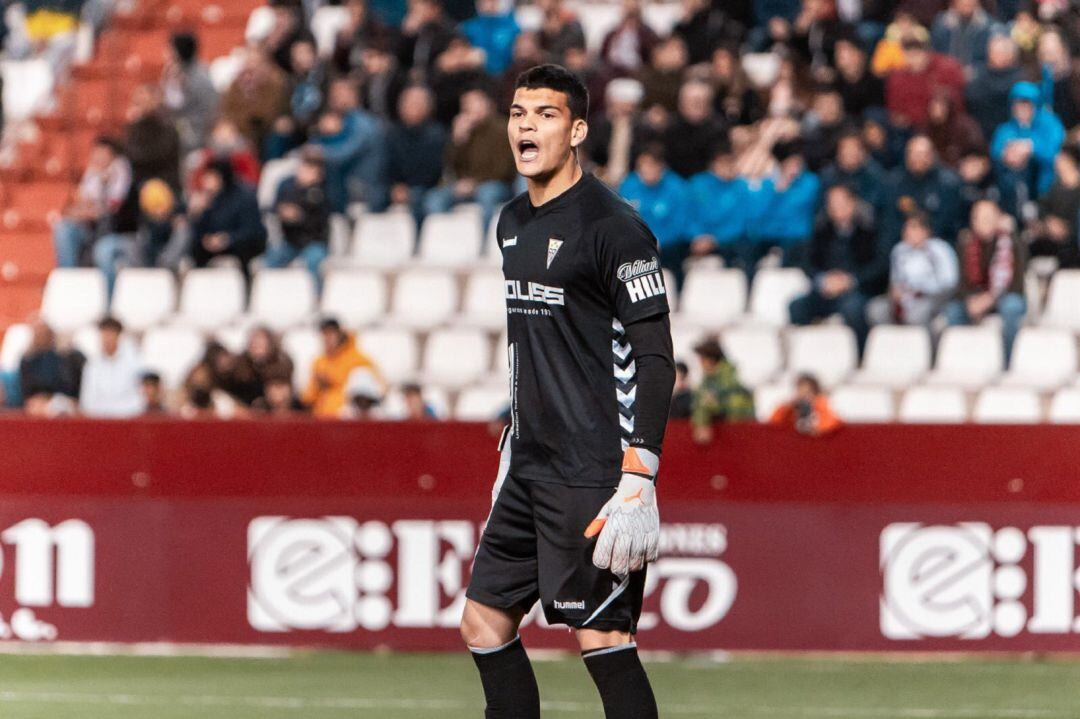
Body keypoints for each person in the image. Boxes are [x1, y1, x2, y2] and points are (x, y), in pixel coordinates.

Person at [462, 65, 675, 719]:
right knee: (482, 623)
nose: (527, 126)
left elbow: (656, 360)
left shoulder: (616, 228)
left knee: (604, 640)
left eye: (546, 114)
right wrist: (513, 442)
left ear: (577, 129)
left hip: (593, 472)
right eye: (519, 112)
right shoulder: (510, 222)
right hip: (528, 466)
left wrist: (639, 476)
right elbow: (531, 346)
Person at [789, 184, 888, 352]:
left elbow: (880, 266)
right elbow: (807, 262)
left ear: (853, 203)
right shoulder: (822, 230)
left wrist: (850, 280)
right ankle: (808, 352)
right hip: (826, 288)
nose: (837, 209)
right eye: (832, 205)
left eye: (841, 203)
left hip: (857, 289)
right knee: (797, 307)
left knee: (853, 310)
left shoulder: (870, 229)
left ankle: (859, 354)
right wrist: (823, 280)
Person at [423, 87, 517, 233]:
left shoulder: (503, 128)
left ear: (489, 104)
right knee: (434, 199)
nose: (470, 108)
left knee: (487, 194)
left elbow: (504, 169)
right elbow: (450, 168)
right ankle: (447, 240)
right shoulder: (463, 130)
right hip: (464, 186)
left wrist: (475, 183)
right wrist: (457, 140)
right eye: (466, 104)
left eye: (475, 102)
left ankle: (486, 242)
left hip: (497, 185)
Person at [944, 199, 1027, 364]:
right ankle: (961, 360)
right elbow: (961, 282)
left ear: (999, 218)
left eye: (989, 218)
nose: (983, 223)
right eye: (979, 218)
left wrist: (990, 299)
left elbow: (1016, 281)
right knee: (953, 311)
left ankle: (1008, 362)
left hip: (1005, 296)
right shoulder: (965, 244)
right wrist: (971, 300)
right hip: (976, 297)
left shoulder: (1012, 242)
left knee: (1012, 307)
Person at [53, 136, 132, 268]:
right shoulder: (92, 172)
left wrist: (88, 211)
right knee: (64, 228)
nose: (97, 157)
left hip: (116, 231)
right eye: (95, 152)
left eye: (101, 153)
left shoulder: (121, 170)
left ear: (112, 155)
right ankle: (68, 276)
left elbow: (112, 208)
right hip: (91, 228)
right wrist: (82, 211)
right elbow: (80, 202)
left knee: (103, 250)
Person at [618, 146, 690, 289]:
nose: (646, 170)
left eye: (651, 165)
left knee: (678, 253)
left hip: (668, 245)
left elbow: (681, 223)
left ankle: (677, 296)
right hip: (636, 245)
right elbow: (621, 221)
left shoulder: (677, 188)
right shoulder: (628, 186)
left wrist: (658, 241)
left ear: (661, 166)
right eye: (642, 166)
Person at [869, 212, 959, 326]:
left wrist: (921, 290)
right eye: (906, 228)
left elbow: (949, 283)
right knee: (876, 309)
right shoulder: (899, 250)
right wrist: (896, 293)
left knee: (917, 313)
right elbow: (895, 282)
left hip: (933, 298)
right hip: (905, 299)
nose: (908, 232)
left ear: (926, 231)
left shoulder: (940, 249)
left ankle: (926, 343)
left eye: (913, 228)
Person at [265, 149, 331, 291]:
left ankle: (316, 297)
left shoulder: (324, 190)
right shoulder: (286, 185)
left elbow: (320, 220)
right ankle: (270, 295)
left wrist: (299, 216)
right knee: (270, 261)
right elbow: (271, 206)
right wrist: (282, 212)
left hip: (315, 241)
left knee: (313, 261)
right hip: (290, 241)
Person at [990, 81, 1066, 205]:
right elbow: (996, 152)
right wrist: (1007, 155)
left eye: (1027, 105)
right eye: (1018, 104)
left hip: (1047, 186)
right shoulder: (1005, 129)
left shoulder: (1050, 124)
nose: (1022, 109)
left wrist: (1031, 147)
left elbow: (1059, 153)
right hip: (1015, 188)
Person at [189, 159, 267, 278]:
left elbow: (252, 230)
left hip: (243, 245)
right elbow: (199, 233)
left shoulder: (244, 196)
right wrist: (197, 215)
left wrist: (228, 239)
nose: (206, 182)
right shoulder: (207, 199)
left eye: (211, 177)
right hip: (215, 245)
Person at [385, 85, 447, 230]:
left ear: (428, 107)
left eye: (417, 104)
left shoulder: (437, 135)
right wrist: (394, 185)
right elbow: (386, 165)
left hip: (429, 187)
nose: (411, 107)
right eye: (407, 103)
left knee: (423, 199)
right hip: (398, 187)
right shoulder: (391, 134)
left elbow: (433, 171)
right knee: (375, 197)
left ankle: (419, 243)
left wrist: (406, 188)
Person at [303, 318, 381, 418]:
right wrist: (317, 384)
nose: (327, 338)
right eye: (324, 334)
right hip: (321, 419)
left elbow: (372, 391)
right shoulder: (318, 362)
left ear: (340, 335)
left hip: (348, 418)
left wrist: (333, 381)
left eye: (331, 334)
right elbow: (308, 398)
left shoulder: (359, 359)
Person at [161, 31, 219, 158]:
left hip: (197, 131)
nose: (166, 53)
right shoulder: (172, 72)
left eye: (170, 49)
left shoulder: (200, 76)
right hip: (177, 127)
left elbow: (209, 109)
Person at [689, 337, 755, 444]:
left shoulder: (730, 381)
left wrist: (707, 414)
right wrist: (702, 423)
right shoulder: (707, 381)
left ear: (711, 360)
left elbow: (736, 413)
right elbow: (699, 404)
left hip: (737, 440)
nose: (700, 363)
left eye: (702, 359)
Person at [79, 317, 144, 418]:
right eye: (104, 334)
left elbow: (138, 401)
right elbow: (87, 402)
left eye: (110, 334)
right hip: (100, 423)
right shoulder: (92, 365)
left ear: (118, 336)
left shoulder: (134, 363)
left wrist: (114, 412)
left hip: (127, 422)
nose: (107, 339)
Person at [19, 321, 84, 418]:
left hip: (65, 399)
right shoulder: (28, 359)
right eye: (38, 334)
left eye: (44, 333)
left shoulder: (67, 356)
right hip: (38, 402)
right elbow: (27, 389)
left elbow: (71, 383)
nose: (41, 337)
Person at [768, 373, 841, 436]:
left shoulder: (822, 407)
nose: (803, 396)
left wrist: (817, 405)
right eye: (800, 391)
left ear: (815, 393)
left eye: (807, 392)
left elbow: (830, 426)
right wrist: (788, 408)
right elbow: (773, 423)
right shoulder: (790, 409)